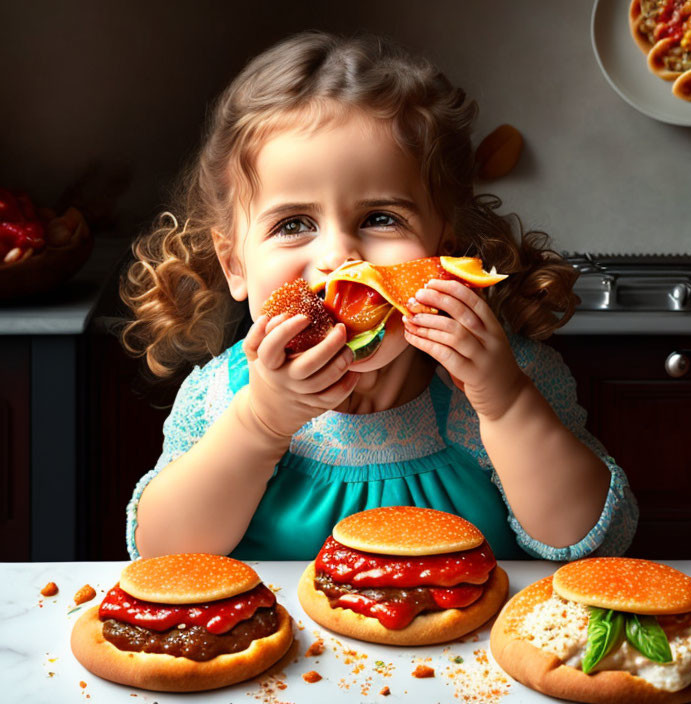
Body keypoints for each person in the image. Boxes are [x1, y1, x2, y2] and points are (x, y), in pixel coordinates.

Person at [119, 31, 637, 561]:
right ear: (235, 264)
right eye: (294, 224)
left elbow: (588, 542)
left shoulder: (507, 375)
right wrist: (260, 422)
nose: (341, 257)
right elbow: (164, 558)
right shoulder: (222, 398)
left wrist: (504, 405)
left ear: (445, 249)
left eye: (380, 219)